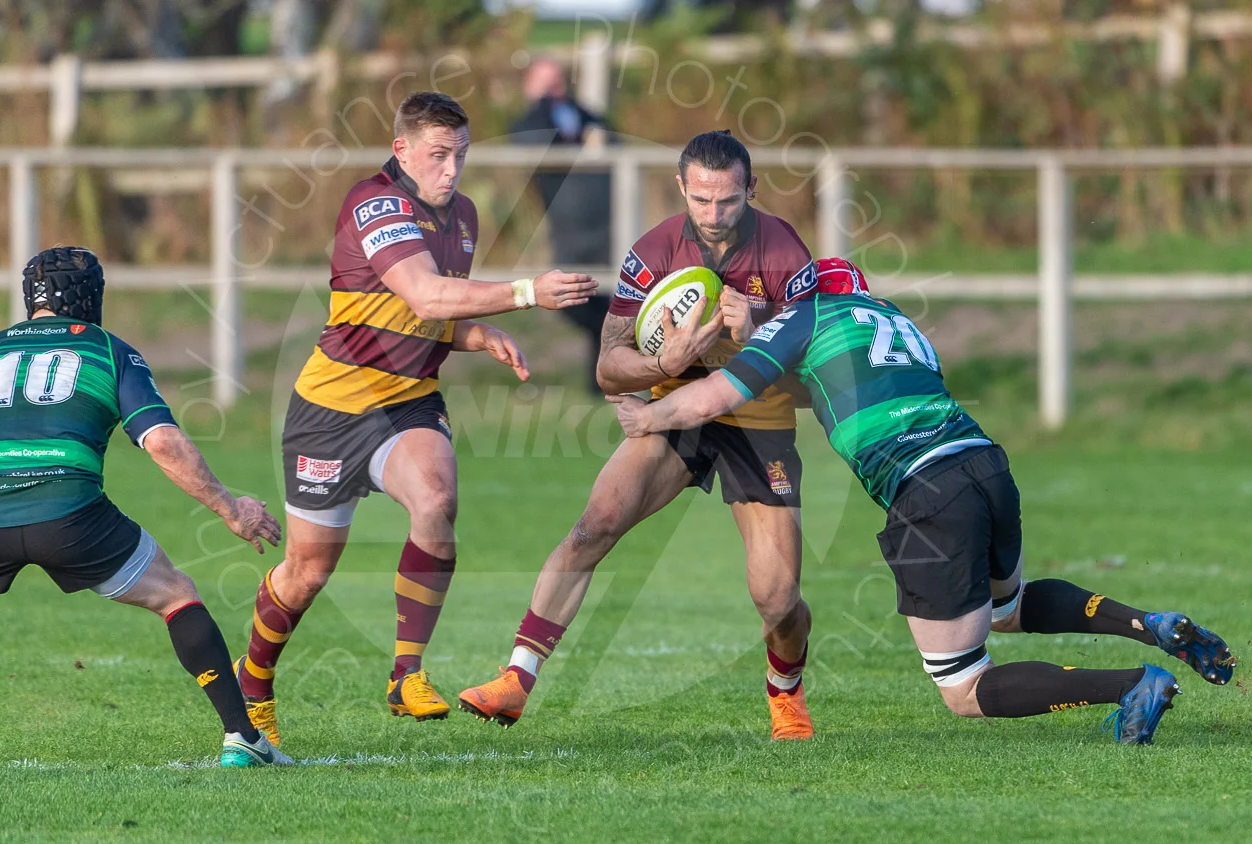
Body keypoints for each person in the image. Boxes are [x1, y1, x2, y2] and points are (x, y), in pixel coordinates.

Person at [610, 257, 1238, 744]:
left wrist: (650, 417)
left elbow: (717, 396)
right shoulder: (897, 323)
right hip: (985, 463)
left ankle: (1133, 684)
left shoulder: (805, 316)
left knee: (964, 686)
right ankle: (1148, 624)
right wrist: (757, 339)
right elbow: (823, 387)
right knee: (1008, 606)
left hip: (927, 493)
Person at [234, 91, 597, 745]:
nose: (451, 169)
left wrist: (477, 334)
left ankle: (406, 673)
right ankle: (253, 681)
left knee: (436, 498)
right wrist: (526, 292)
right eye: (438, 155)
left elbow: (426, 316)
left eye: (461, 155)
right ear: (401, 149)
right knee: (308, 572)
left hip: (409, 399)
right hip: (332, 409)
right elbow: (426, 296)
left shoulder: (463, 216)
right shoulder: (375, 204)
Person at [0, 247, 291, 767]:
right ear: (88, 295)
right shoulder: (108, 350)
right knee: (176, 595)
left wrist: (0, 513)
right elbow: (163, 442)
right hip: (72, 516)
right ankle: (242, 737)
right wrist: (232, 509)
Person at [459, 130, 821, 740]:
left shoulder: (786, 255)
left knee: (777, 598)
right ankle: (516, 679)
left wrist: (760, 333)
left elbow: (813, 384)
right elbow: (608, 367)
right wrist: (662, 362)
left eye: (728, 200)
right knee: (592, 526)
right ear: (681, 187)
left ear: (751, 189)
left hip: (758, 423)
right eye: (701, 199)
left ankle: (785, 688)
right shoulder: (653, 253)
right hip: (675, 409)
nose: (714, 214)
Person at [510, 57, 614, 392]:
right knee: (572, 299)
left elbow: (608, 132)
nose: (553, 90)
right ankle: (605, 370)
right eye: (545, 83)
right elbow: (529, 140)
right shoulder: (532, 121)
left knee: (606, 301)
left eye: (557, 82)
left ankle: (602, 385)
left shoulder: (579, 114)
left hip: (603, 225)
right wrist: (543, 102)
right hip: (566, 228)